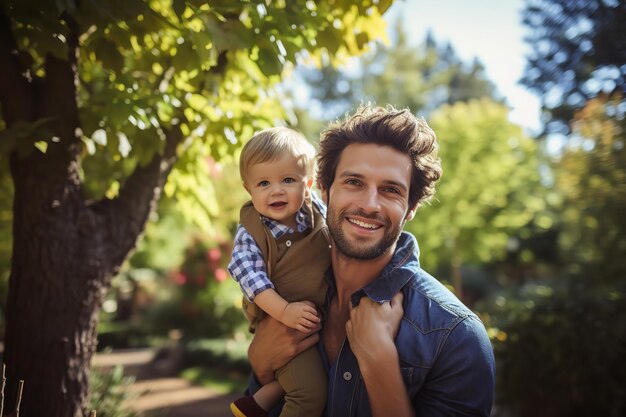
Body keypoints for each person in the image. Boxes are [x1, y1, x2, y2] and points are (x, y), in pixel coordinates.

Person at [246, 105, 496, 416]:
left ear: (411, 207)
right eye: (354, 182)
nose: (369, 204)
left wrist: (379, 361)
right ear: (323, 189)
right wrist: (260, 364)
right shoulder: (283, 293)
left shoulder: (456, 337)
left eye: (391, 190)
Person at [227, 127, 330, 417]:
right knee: (308, 393)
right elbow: (252, 280)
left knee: (306, 372)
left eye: (288, 180)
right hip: (281, 320)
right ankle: (259, 403)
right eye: (263, 183)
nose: (276, 190)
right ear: (249, 189)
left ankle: (257, 403)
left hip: (312, 316)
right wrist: (285, 312)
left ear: (307, 184)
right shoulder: (251, 233)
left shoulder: (316, 211)